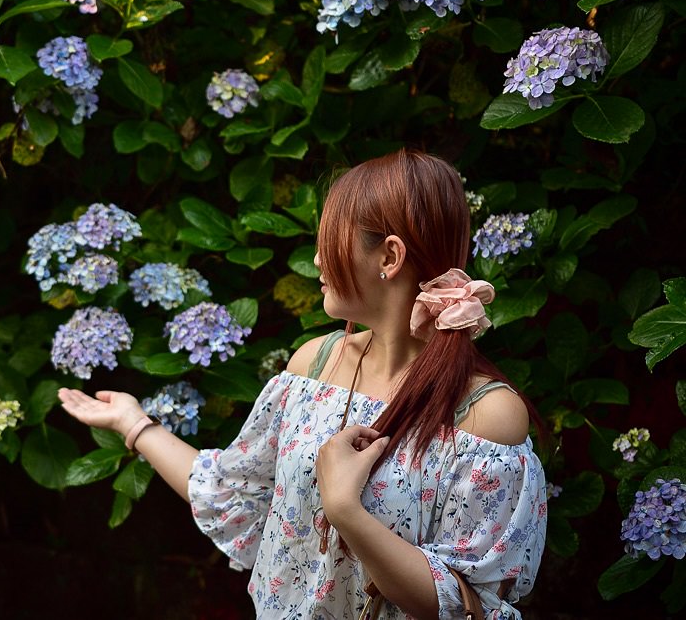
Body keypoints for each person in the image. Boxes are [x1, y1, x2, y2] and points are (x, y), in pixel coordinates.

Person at [58, 148, 548, 619]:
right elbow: (230, 491)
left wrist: (344, 509)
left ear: (390, 257)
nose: (316, 260)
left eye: (329, 241)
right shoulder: (314, 366)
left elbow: (467, 606)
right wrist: (135, 423)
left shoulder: (484, 415)